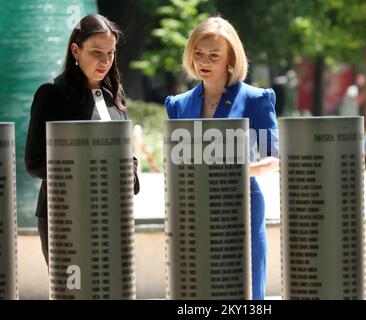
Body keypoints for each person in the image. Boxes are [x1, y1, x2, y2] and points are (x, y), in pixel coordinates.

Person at [165, 16, 279, 300]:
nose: (204, 60)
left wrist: (232, 170)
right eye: (199, 53)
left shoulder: (256, 100)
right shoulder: (178, 105)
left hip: (243, 209)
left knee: (246, 294)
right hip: (195, 210)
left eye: (214, 55)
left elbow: (274, 160)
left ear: (230, 59)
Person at [25, 14, 140, 266]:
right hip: (65, 215)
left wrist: (129, 172)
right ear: (76, 50)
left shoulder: (115, 94)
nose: (105, 61)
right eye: (96, 52)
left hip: (111, 213)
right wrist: (86, 171)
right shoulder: (51, 94)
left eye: (110, 53)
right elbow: (34, 162)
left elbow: (126, 152)